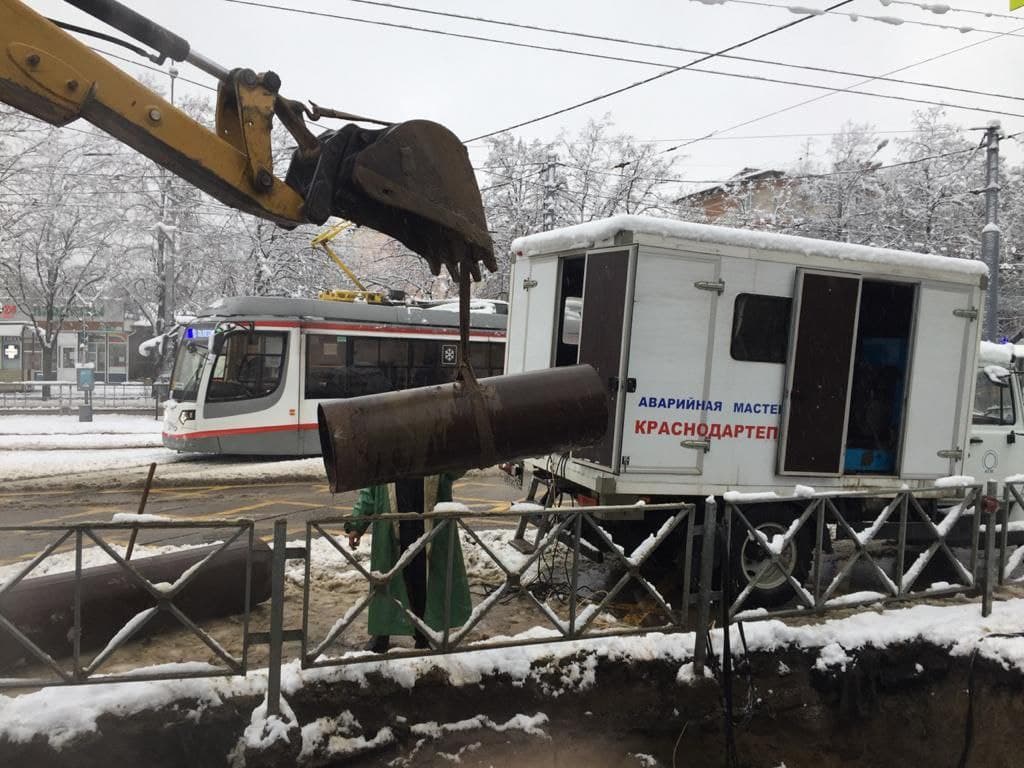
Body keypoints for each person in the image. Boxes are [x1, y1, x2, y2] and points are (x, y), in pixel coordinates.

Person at [345, 473, 472, 652]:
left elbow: (456, 467)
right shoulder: (383, 450)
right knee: (386, 582)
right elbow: (370, 490)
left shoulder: (434, 449)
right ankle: (381, 634)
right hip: (392, 528)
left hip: (427, 526)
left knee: (421, 582)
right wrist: (356, 524)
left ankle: (423, 634)